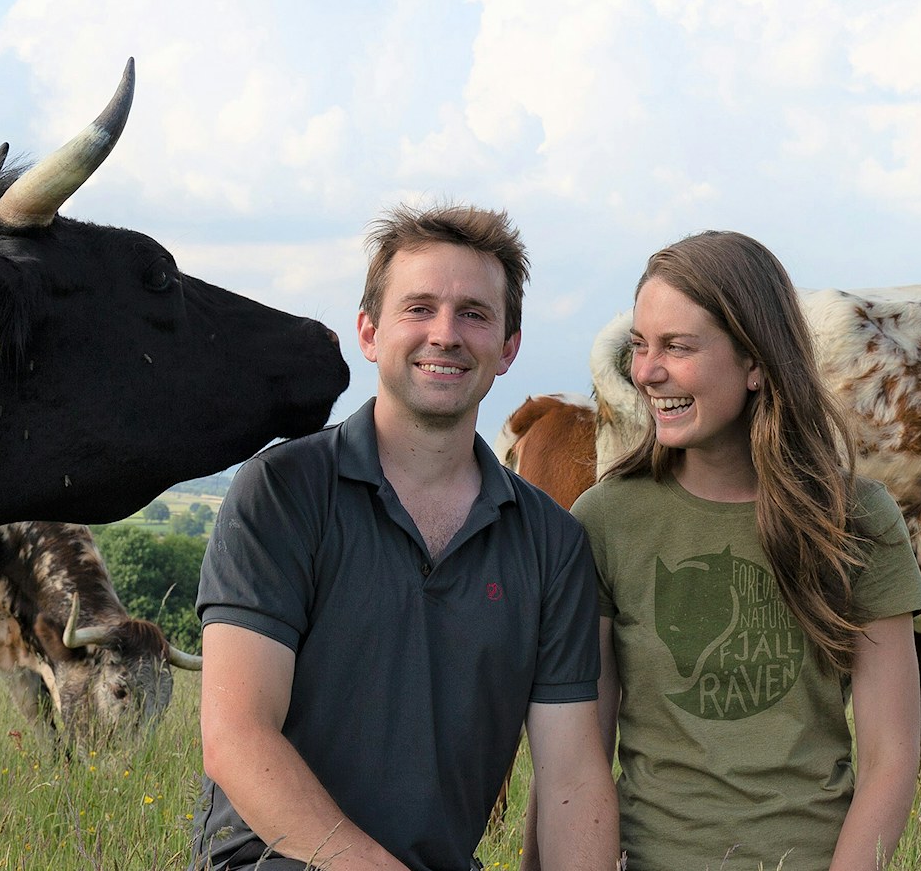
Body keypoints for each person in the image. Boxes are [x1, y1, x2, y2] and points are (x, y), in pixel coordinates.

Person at [195, 204, 617, 871]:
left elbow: (570, 777)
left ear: (508, 347)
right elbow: (236, 735)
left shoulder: (553, 543)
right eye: (419, 308)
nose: (445, 334)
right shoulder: (283, 491)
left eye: (474, 314)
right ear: (369, 331)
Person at [567, 231, 921, 871]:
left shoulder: (856, 519)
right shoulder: (606, 518)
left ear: (756, 362)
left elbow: (892, 759)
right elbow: (579, 757)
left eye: (677, 347)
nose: (647, 371)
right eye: (641, 346)